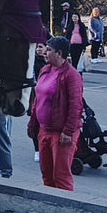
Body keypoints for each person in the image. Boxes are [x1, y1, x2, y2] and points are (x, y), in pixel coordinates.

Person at [28, 36, 84, 191]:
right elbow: (37, 100)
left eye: (49, 50)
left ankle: (65, 210)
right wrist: (33, 124)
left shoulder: (71, 75)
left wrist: (68, 131)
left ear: (59, 54)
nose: (45, 53)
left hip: (62, 134)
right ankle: (48, 206)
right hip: (44, 131)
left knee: (61, 175)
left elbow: (76, 106)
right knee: (46, 174)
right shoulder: (45, 70)